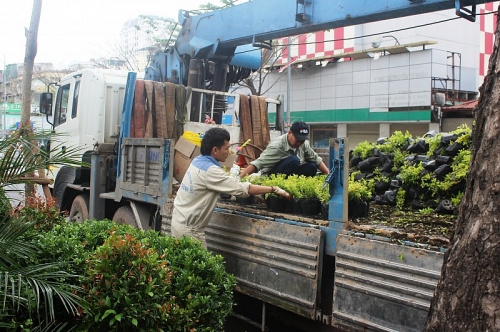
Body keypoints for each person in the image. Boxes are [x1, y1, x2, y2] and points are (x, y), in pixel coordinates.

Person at [171, 128, 291, 248]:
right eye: (227, 148)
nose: (229, 151)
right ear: (215, 150)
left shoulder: (197, 161)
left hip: (178, 220)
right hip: (189, 230)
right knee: (201, 266)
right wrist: (273, 189)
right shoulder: (211, 171)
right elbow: (243, 189)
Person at [239, 121, 330, 178]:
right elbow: (257, 164)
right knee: (294, 160)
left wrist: (329, 175)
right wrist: (239, 179)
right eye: (298, 139)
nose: (299, 143)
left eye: (302, 140)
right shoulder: (277, 146)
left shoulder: (303, 145)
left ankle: (296, 188)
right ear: (289, 133)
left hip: (291, 174)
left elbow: (317, 160)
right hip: (273, 175)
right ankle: (282, 187)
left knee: (312, 166)